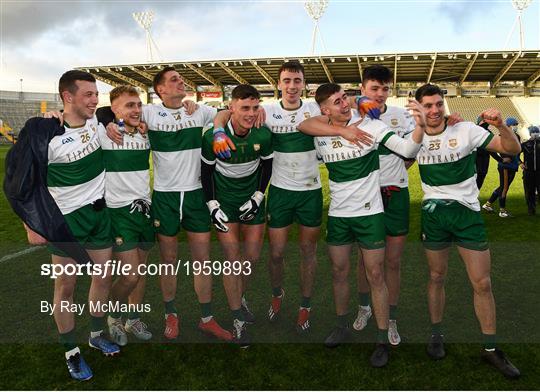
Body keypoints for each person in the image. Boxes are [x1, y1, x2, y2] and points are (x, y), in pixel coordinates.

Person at [211, 61, 371, 330]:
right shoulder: (267, 111)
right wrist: (217, 129)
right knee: (276, 253)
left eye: (297, 81)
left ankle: (304, 305)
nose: (292, 86)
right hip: (281, 192)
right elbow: (226, 115)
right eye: (286, 80)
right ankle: (277, 294)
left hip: (310, 191)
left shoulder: (314, 109)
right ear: (278, 84)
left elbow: (348, 106)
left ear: (304, 85)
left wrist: (362, 103)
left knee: (309, 252)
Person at [297, 83, 426, 367]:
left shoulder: (371, 125)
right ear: (325, 109)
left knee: (375, 273)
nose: (345, 104)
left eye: (345, 98)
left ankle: (381, 338)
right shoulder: (321, 126)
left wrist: (419, 125)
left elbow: (407, 148)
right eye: (337, 101)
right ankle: (341, 325)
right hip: (339, 216)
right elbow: (304, 125)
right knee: (339, 271)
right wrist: (342, 130)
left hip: (370, 214)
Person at [106, 67, 231, 342]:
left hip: (196, 194)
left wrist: (219, 129)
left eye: (181, 79)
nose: (181, 82)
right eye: (174, 80)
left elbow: (225, 111)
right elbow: (111, 111)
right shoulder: (148, 112)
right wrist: (109, 122)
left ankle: (207, 318)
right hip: (165, 197)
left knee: (203, 262)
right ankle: (170, 315)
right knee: (168, 262)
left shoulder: (197, 110)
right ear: (160, 89)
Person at [414, 83, 520, 379]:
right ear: (419, 107)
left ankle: (490, 349)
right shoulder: (414, 134)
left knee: (482, 283)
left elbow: (512, 149)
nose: (434, 110)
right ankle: (436, 334)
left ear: (444, 104)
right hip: (434, 215)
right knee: (436, 277)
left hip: (467, 215)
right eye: (428, 106)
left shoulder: (465, 131)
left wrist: (501, 126)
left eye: (438, 104)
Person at [25, 70, 119, 381]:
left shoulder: (94, 120)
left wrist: (104, 116)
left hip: (98, 216)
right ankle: (71, 352)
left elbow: (107, 111)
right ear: (68, 97)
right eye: (88, 95)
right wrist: (31, 223)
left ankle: (94, 334)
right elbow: (26, 181)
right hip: (66, 222)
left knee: (103, 278)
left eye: (95, 94)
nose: (95, 100)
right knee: (65, 288)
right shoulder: (46, 134)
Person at [201, 84, 273, 347]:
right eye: (245, 107)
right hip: (225, 204)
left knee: (251, 258)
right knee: (232, 258)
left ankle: (239, 297)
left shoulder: (263, 134)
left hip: (251, 201)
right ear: (231, 107)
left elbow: (267, 165)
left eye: (255, 107)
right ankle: (237, 319)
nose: (251, 113)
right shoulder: (213, 136)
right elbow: (206, 172)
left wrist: (258, 196)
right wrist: (212, 204)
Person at [96, 86, 154, 345]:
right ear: (114, 109)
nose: (136, 109)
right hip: (118, 212)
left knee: (140, 273)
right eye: (129, 105)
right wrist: (107, 119)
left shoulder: (145, 134)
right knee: (130, 274)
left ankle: (132, 319)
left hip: (144, 209)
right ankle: (114, 317)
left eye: (138, 105)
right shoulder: (104, 133)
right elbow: (96, 112)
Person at [482, 117, 522, 218]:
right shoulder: (502, 135)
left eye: (516, 125)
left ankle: (488, 204)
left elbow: (517, 151)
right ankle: (502, 211)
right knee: (504, 188)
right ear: (508, 126)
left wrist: (519, 162)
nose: (516, 127)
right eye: (514, 124)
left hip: (513, 165)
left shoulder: (516, 136)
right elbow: (497, 148)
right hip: (505, 166)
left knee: (503, 186)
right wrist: (504, 158)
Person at [520, 125, 540, 215]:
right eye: (533, 132)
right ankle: (531, 209)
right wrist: (520, 163)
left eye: (536, 132)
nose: (535, 134)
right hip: (529, 172)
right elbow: (515, 153)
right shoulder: (525, 144)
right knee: (529, 191)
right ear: (530, 133)